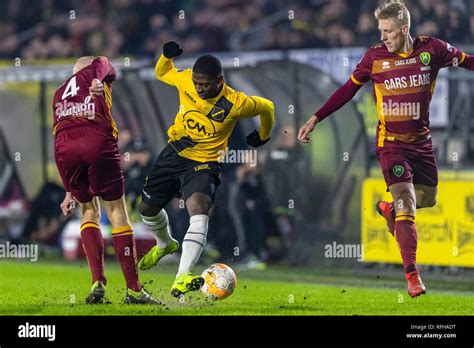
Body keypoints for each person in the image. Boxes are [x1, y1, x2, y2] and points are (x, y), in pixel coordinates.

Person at [298, 0, 473, 298]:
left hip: (422, 143)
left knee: (427, 200)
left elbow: (469, 61)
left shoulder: (433, 50)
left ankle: (388, 209)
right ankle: (412, 276)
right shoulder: (374, 58)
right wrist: (316, 117)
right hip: (390, 145)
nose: (382, 37)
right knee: (407, 203)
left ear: (404, 29)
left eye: (388, 31)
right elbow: (347, 89)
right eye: (380, 30)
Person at [138, 41, 275, 297]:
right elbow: (162, 73)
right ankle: (165, 244)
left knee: (199, 209)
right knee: (147, 210)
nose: (199, 89)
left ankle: (182, 276)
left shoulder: (236, 102)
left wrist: (263, 135)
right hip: (174, 153)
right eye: (197, 83)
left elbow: (268, 107)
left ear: (220, 80)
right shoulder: (186, 80)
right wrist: (166, 56)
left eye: (205, 84)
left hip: (205, 162)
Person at [53, 56, 159, 304]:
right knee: (116, 210)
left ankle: (97, 283)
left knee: (88, 210)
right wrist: (98, 78)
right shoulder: (96, 72)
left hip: (65, 150)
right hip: (96, 139)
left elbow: (58, 137)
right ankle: (133, 289)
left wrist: (68, 190)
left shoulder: (59, 93)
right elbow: (102, 62)